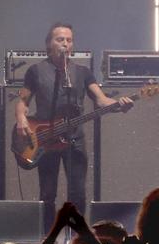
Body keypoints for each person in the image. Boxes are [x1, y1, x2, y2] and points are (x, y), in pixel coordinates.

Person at [14, 22, 132, 233]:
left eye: (69, 40)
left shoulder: (82, 72)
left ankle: (78, 241)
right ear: (49, 44)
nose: (65, 44)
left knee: (78, 194)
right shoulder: (36, 71)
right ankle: (48, 240)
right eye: (60, 40)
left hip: (74, 141)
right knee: (47, 194)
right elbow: (23, 101)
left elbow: (102, 101)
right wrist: (21, 119)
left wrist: (119, 106)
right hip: (45, 139)